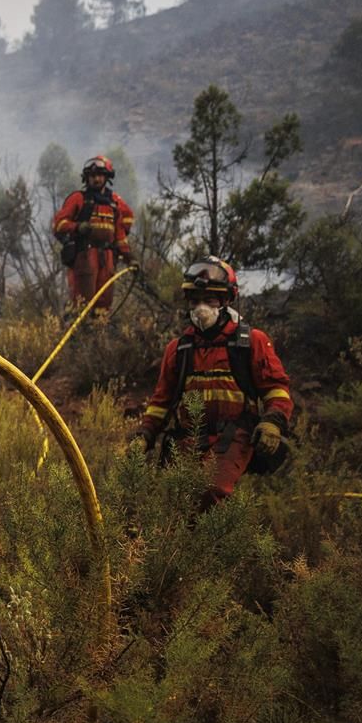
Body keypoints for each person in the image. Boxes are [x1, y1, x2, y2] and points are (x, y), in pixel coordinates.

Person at [135, 257, 294, 510]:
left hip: (233, 435)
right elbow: (161, 401)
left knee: (211, 490)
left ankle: (216, 546)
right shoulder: (179, 349)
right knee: (172, 501)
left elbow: (276, 389)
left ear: (226, 300)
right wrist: (145, 434)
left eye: (209, 300)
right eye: (195, 300)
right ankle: (185, 548)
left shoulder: (250, 342)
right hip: (188, 438)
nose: (201, 307)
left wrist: (272, 423)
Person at [51, 155, 134, 307]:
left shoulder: (114, 204)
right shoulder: (78, 198)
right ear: (86, 178)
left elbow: (120, 235)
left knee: (104, 302)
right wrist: (77, 227)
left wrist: (129, 257)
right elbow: (58, 224)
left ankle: (99, 329)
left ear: (107, 177)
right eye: (92, 176)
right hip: (85, 256)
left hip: (108, 259)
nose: (96, 179)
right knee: (83, 302)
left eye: (100, 175)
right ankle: (80, 329)